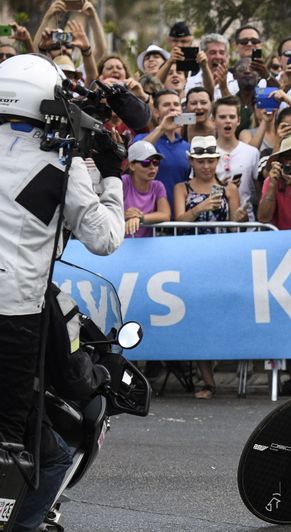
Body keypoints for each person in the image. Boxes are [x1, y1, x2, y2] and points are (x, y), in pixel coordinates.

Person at [0, 54, 125, 532]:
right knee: (26, 451)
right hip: (15, 318)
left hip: (20, 310)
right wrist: (111, 174)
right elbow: (105, 238)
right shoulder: (59, 163)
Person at [133, 90, 191, 217]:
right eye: (166, 105)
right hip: (148, 218)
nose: (172, 108)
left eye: (176, 104)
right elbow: (137, 153)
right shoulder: (142, 139)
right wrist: (162, 128)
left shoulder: (187, 146)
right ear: (156, 112)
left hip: (178, 219)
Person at [122, 141, 171, 238]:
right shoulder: (123, 182)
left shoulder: (158, 186)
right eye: (145, 163)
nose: (152, 167)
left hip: (147, 245)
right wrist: (124, 215)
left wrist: (140, 217)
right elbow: (106, 211)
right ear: (132, 166)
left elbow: (165, 215)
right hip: (120, 243)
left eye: (156, 162)